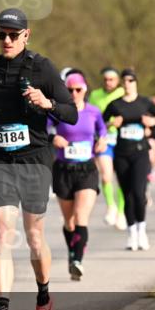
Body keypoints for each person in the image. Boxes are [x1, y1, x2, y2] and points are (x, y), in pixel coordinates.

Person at [0, 8, 77, 310]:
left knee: (33, 236)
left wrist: (47, 103)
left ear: (26, 36)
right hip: (0, 160)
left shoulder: (42, 67)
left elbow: (70, 113)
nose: (7, 40)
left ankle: (44, 298)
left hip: (34, 160)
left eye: (13, 35)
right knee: (3, 233)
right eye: (1, 34)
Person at [50, 72, 107, 280]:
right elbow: (47, 128)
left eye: (78, 89)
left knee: (81, 217)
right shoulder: (59, 111)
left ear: (85, 90)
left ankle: (77, 260)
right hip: (64, 170)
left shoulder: (93, 111)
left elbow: (103, 130)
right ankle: (72, 253)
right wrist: (54, 137)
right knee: (69, 222)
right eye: (70, 89)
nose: (74, 93)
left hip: (86, 169)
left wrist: (103, 141)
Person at [103, 68, 155, 251]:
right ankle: (131, 234)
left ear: (136, 82)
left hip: (140, 152)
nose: (128, 84)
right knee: (127, 194)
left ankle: (142, 230)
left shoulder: (145, 102)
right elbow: (101, 124)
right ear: (122, 83)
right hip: (121, 153)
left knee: (138, 193)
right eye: (125, 81)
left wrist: (153, 122)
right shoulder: (115, 104)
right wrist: (112, 123)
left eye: (131, 80)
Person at [87, 68, 125, 227]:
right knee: (106, 175)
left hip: (123, 139)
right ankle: (111, 206)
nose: (108, 82)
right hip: (104, 139)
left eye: (112, 79)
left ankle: (121, 212)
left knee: (122, 178)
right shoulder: (95, 95)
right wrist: (108, 124)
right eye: (106, 79)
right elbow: (90, 117)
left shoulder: (123, 93)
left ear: (118, 81)